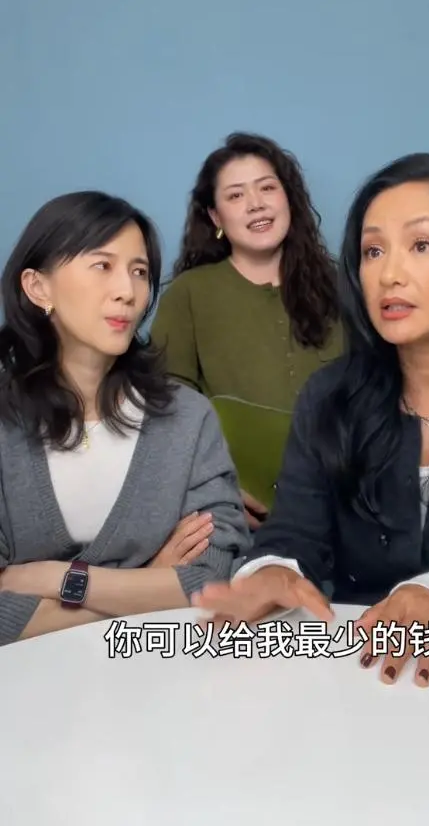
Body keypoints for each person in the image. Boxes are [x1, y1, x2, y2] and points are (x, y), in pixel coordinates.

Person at [191, 152, 429, 685]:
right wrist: (272, 571)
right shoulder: (330, 396)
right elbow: (294, 534)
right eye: (373, 251)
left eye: (422, 245)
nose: (390, 274)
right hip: (358, 688)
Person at [0, 190, 251, 647]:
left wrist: (58, 579)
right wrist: (149, 581)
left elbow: (214, 576)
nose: (128, 292)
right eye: (103, 266)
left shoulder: (187, 418)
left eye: (140, 271)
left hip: (162, 673)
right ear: (38, 287)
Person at [150, 132, 344, 528]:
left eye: (267, 188)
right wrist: (216, 493)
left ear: (289, 198)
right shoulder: (189, 293)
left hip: (344, 507)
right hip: (231, 516)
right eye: (236, 195)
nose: (256, 203)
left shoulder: (344, 286)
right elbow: (166, 413)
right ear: (215, 217)